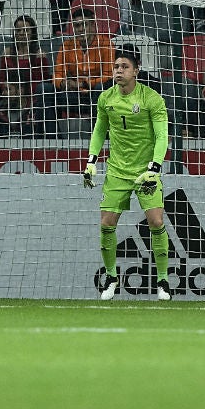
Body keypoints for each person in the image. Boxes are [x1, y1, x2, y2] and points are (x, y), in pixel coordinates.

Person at [82, 45, 171, 301]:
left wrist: (154, 168)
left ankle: (163, 281)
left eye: (124, 67)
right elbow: (99, 131)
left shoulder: (152, 99)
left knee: (156, 222)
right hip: (117, 172)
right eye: (116, 67)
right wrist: (91, 161)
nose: (119, 71)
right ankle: (111, 277)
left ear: (136, 71)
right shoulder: (106, 98)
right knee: (107, 224)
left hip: (146, 173)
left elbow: (162, 135)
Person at [45, 7, 114, 117]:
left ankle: (98, 133)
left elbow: (109, 76)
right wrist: (64, 83)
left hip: (95, 91)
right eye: (77, 26)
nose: (81, 29)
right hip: (73, 93)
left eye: (85, 25)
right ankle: (51, 134)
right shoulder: (67, 46)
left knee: (100, 88)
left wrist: (84, 84)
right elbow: (57, 74)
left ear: (92, 26)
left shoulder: (106, 44)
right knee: (45, 89)